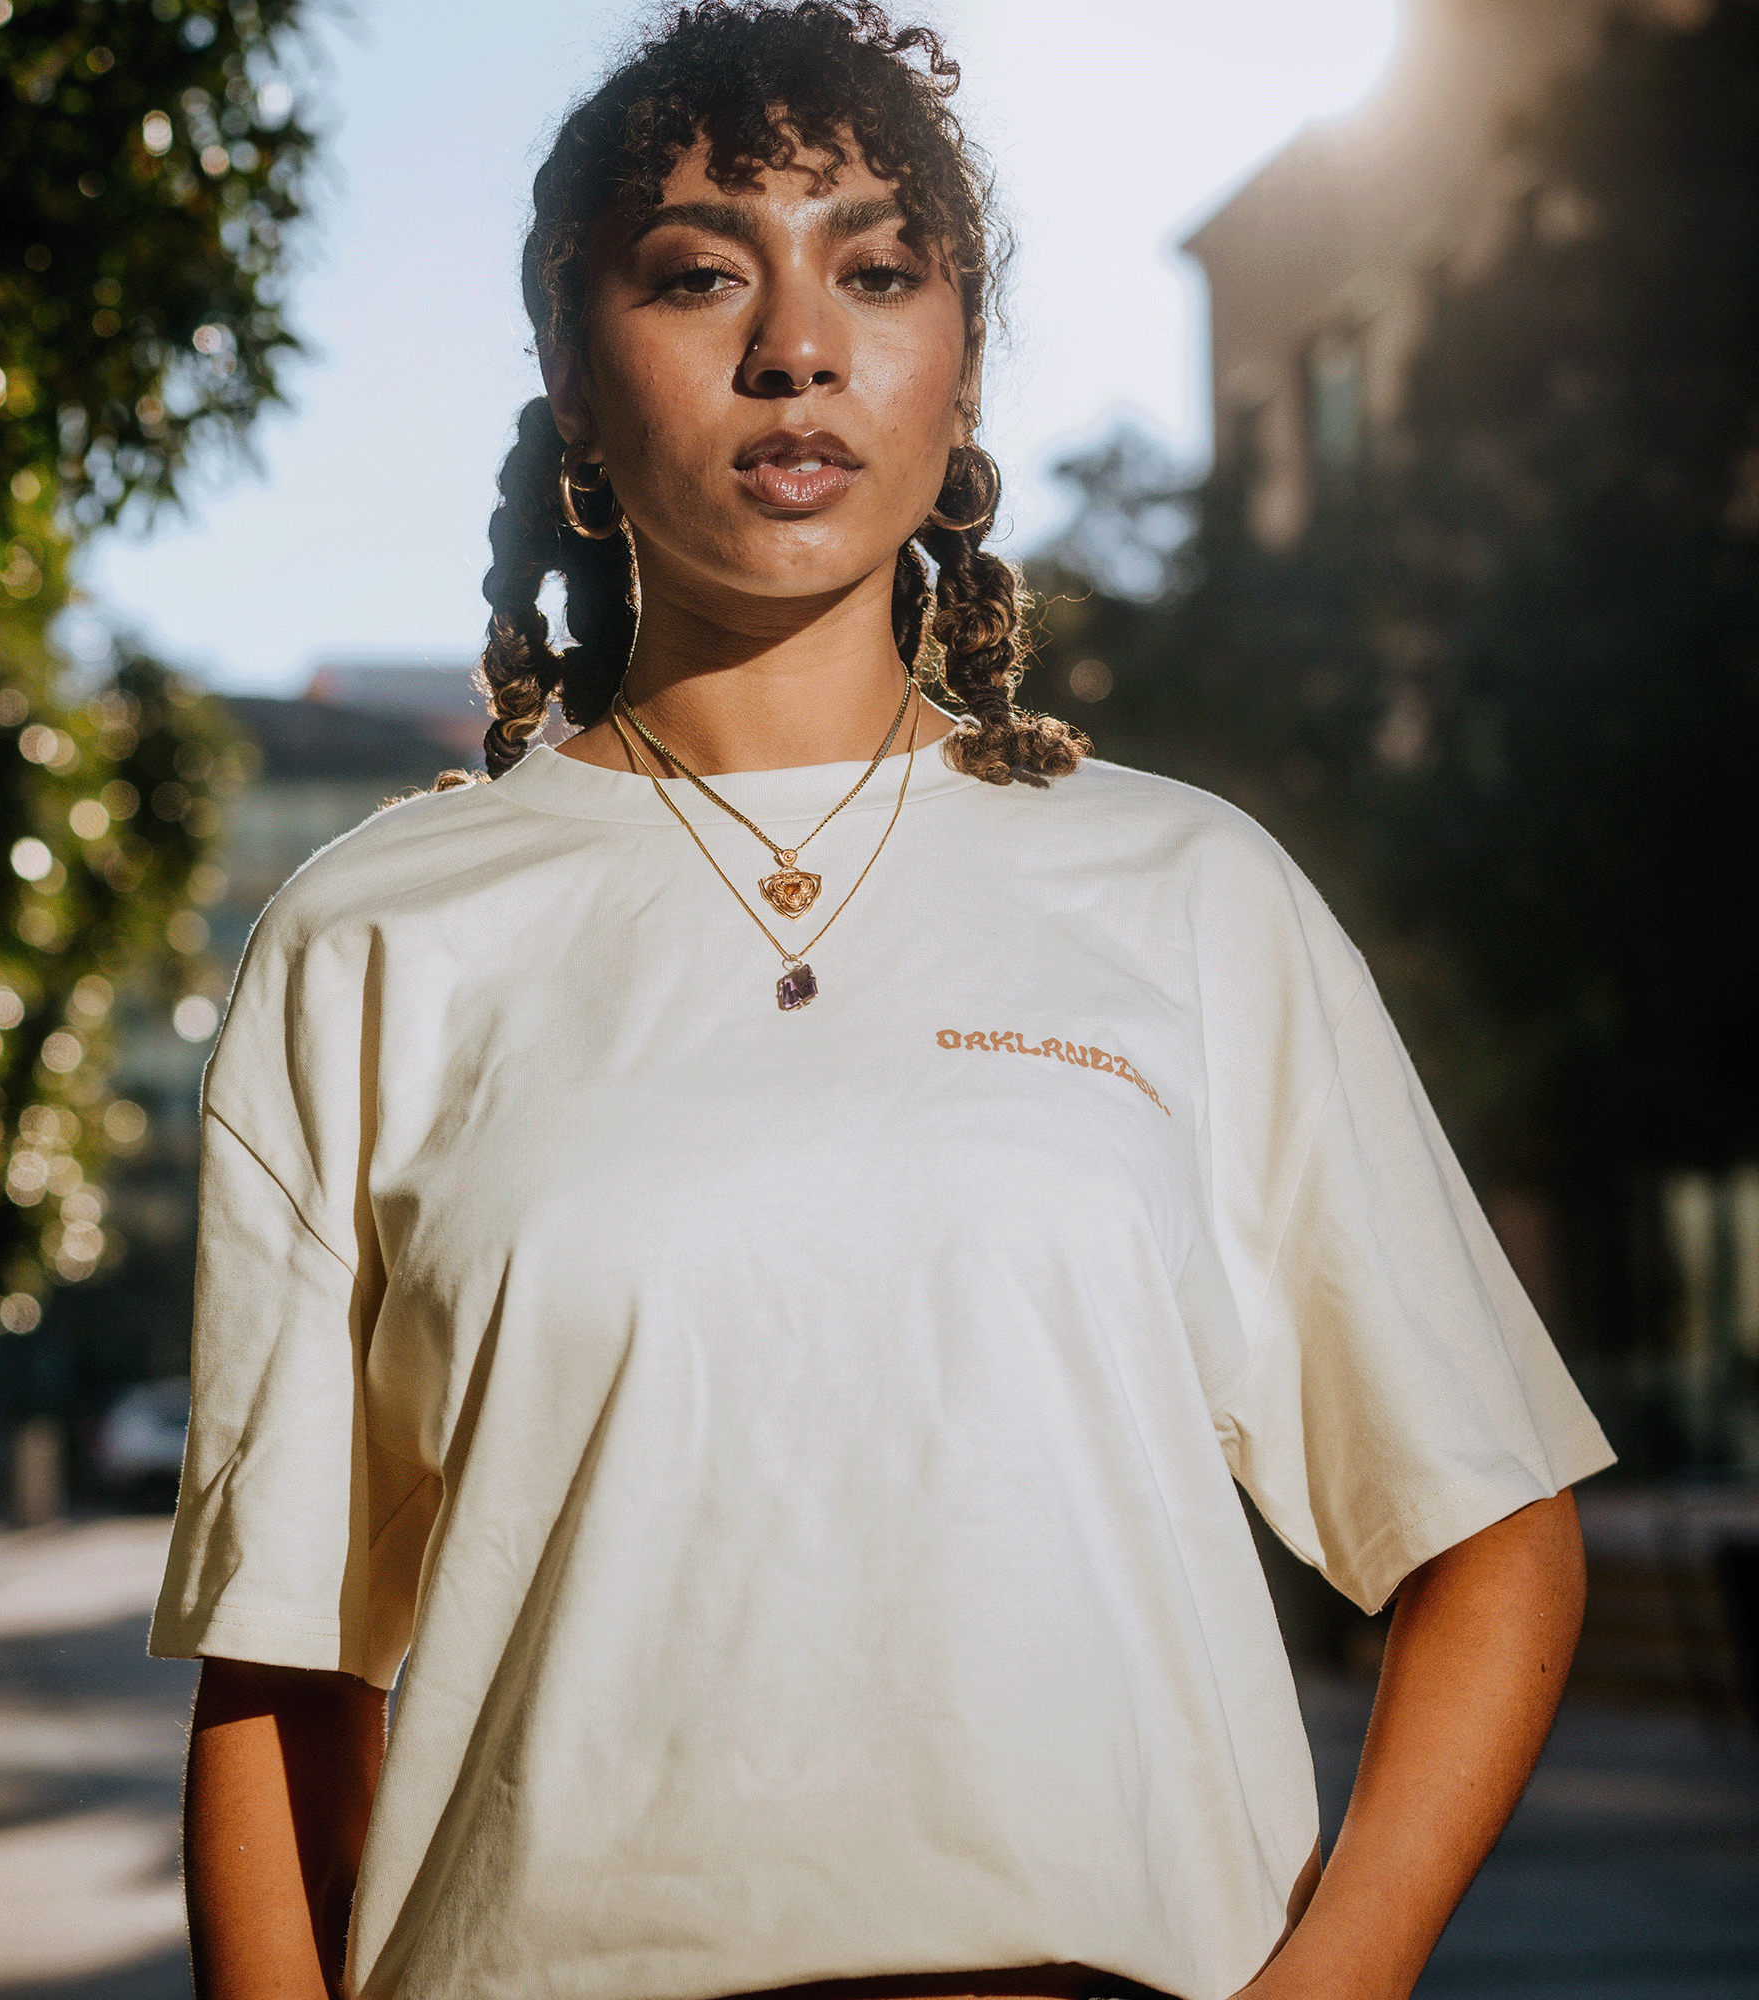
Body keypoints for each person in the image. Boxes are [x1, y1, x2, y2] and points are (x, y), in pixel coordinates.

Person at [149, 5, 1614, 1998]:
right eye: (693, 273)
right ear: (575, 384)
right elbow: (279, 1661)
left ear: (961, 365)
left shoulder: (1185, 890)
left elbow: (1485, 1529)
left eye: (874, 265)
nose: (795, 345)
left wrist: (1334, 1974)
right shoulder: (373, 935)